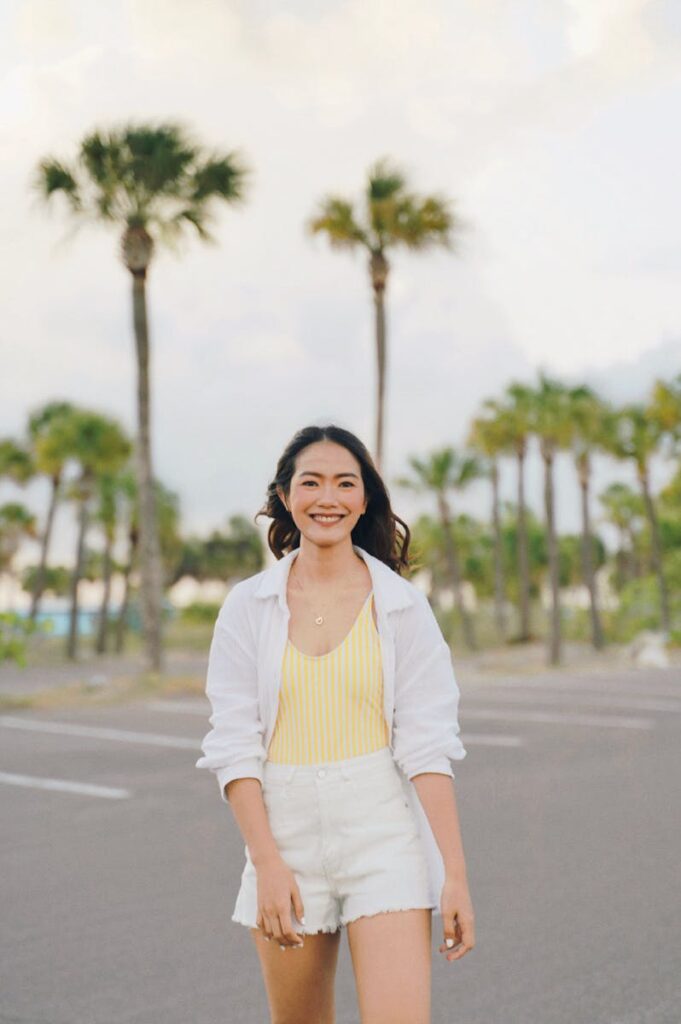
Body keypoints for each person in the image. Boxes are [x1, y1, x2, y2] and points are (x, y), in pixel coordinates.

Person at [196, 424, 475, 1024]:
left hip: (383, 834)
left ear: (365, 498)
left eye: (345, 482)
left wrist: (454, 875)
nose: (329, 497)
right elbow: (234, 746)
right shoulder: (248, 606)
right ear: (286, 496)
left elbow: (429, 748)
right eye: (311, 482)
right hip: (284, 837)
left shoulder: (401, 605)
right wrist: (267, 863)